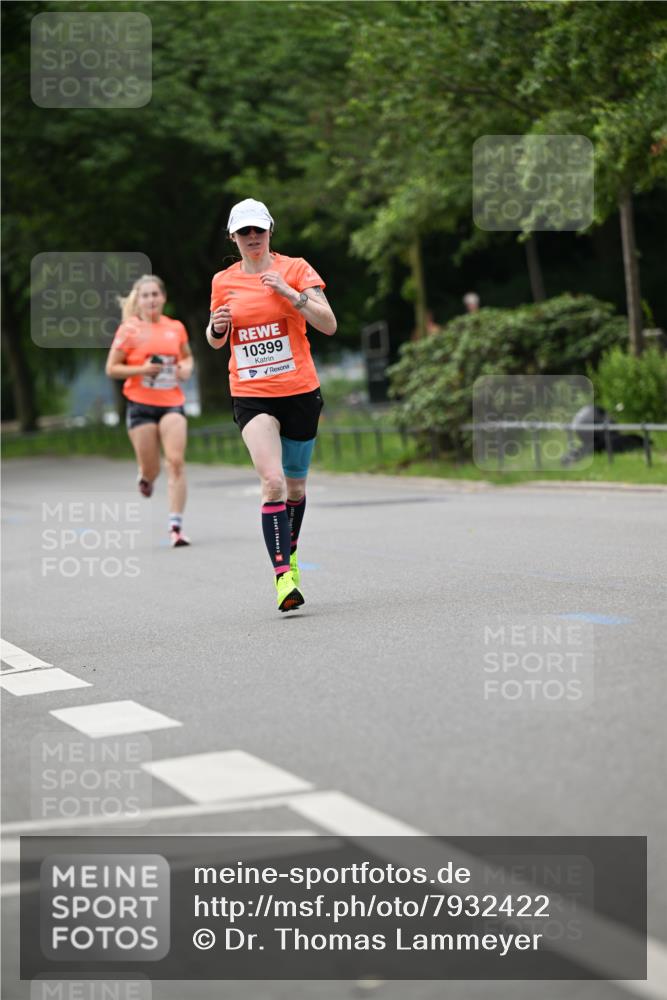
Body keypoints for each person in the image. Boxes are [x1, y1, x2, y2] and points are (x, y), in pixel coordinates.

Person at [207, 198, 337, 612]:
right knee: (273, 482)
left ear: (269, 231)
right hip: (251, 394)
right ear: (233, 237)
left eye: (258, 231)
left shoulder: (297, 269)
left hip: (299, 390)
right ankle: (284, 577)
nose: (252, 239)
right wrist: (215, 327)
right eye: (243, 232)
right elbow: (215, 339)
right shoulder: (222, 281)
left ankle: (291, 552)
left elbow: (329, 323)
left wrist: (290, 293)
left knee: (296, 486)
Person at [105, 274, 194, 547]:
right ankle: (145, 476)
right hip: (141, 405)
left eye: (155, 294)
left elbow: (187, 357)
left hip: (171, 403)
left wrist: (186, 368)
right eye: (145, 295)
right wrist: (142, 369)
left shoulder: (175, 327)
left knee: (176, 462)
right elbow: (112, 368)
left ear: (163, 297)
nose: (151, 299)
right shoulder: (129, 330)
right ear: (138, 300)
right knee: (152, 468)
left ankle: (176, 527)